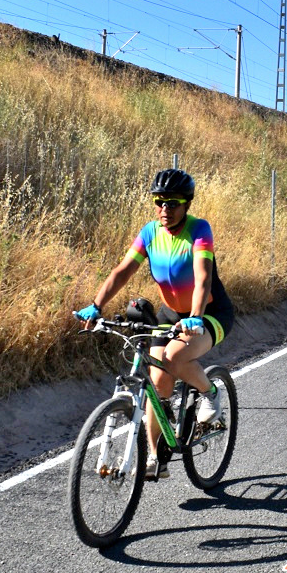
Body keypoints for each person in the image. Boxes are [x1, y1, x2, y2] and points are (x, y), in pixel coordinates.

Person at [76, 168, 234, 479]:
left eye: (172, 203)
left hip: (210, 312)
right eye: (159, 202)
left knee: (175, 357)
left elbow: (203, 278)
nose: (165, 209)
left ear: (186, 204)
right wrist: (96, 306)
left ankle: (211, 393)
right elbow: (123, 272)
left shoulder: (199, 230)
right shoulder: (150, 232)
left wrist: (197, 317)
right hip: (171, 314)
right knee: (157, 386)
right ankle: (154, 459)